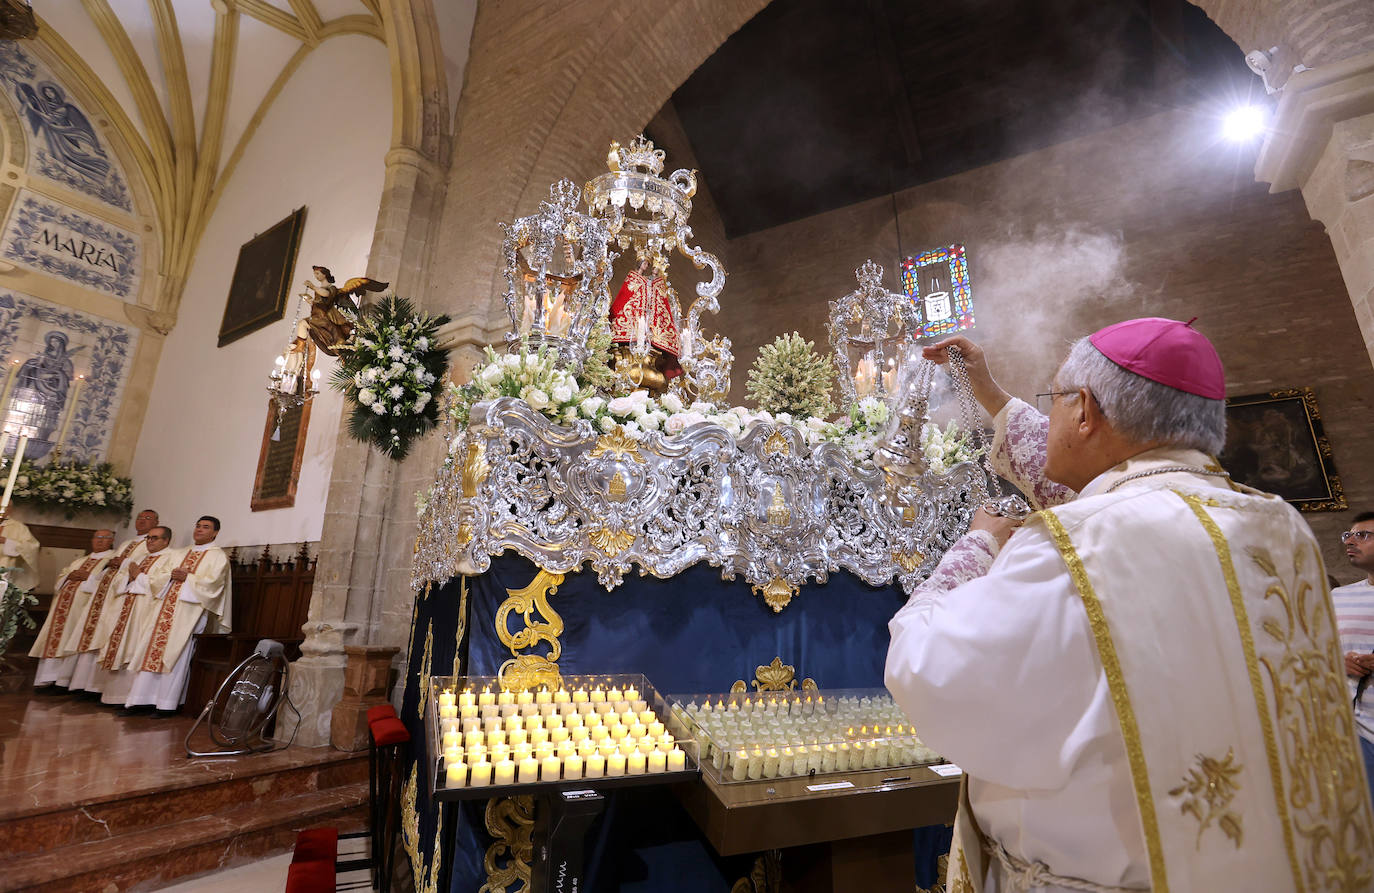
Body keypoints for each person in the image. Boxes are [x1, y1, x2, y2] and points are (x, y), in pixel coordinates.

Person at [885, 320, 1373, 892]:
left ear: (1085, 411)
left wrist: (977, 544)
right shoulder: (1275, 524)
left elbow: (925, 667)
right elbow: (1109, 486)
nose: (1054, 421)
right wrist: (987, 391)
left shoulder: (1077, 541)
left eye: (1060, 402)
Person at [121, 516, 231, 715]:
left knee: (176, 654)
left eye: (205, 527)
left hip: (188, 613)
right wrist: (169, 576)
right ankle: (140, 701)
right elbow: (156, 576)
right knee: (150, 650)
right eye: (197, 526)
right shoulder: (179, 553)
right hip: (162, 609)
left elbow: (214, 585)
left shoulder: (218, 556)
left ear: (215, 533)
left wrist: (188, 577)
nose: (199, 530)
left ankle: (166, 704)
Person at [67, 509, 157, 694]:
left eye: (148, 518)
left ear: (156, 523)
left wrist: (121, 564)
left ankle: (97, 688)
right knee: (94, 634)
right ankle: (84, 685)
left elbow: (135, 567)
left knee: (106, 635)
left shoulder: (149, 546)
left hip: (121, 596)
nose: (142, 520)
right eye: (140, 517)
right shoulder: (126, 542)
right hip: (106, 592)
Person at [94, 525, 175, 706]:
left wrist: (138, 576)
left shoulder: (171, 558)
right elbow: (118, 582)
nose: (150, 541)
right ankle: (111, 696)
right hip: (126, 609)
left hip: (145, 612)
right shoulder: (139, 557)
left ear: (166, 541)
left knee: (134, 650)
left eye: (155, 538)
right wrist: (129, 578)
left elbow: (162, 585)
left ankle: (129, 698)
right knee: (120, 648)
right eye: (148, 538)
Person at [29, 529, 115, 692]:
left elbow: (108, 586)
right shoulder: (80, 561)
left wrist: (88, 577)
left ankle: (62, 681)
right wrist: (69, 577)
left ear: (111, 540)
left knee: (70, 642)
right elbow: (60, 581)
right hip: (62, 609)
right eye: (97, 537)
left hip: (82, 612)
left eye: (104, 538)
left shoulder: (111, 561)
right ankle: (46, 679)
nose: (100, 541)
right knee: (55, 641)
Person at [1333, 510, 1374, 810]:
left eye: (1364, 535)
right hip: (1356, 726)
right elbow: (1317, 649)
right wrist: (1337, 661)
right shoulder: (1338, 597)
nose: (1351, 541)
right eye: (1349, 535)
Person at [0, 512, 39, 593]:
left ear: (9, 509)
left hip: (7, 570)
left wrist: (7, 541)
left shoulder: (19, 527)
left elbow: (32, 547)